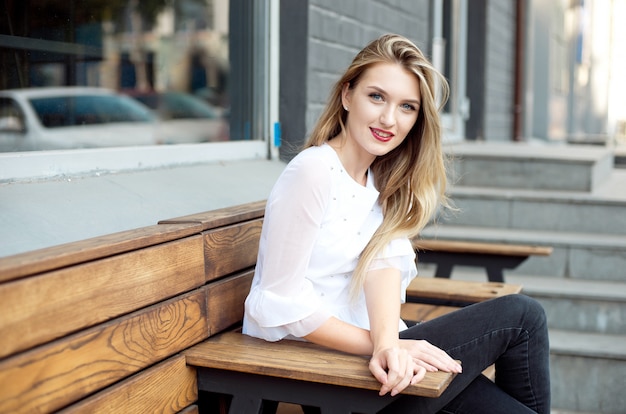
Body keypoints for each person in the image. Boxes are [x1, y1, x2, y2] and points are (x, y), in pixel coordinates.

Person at [243, 33, 550, 414]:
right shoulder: (314, 172)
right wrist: (383, 346)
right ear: (346, 95)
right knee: (522, 317)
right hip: (329, 378)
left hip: (378, 363)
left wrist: (390, 342)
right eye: (377, 97)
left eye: (407, 107)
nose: (389, 119)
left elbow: (382, 266)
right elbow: (276, 302)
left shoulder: (378, 181)